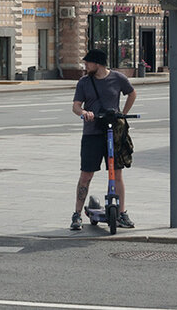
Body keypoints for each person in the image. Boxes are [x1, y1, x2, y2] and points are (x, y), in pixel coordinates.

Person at [70, 48, 136, 231]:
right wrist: (84, 113)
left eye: (87, 63)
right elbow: (75, 106)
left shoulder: (117, 78)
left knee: (117, 173)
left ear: (97, 63)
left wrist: (123, 114)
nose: (85, 66)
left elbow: (132, 93)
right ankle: (76, 215)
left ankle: (121, 213)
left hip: (113, 134)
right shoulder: (84, 82)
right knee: (86, 174)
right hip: (92, 133)